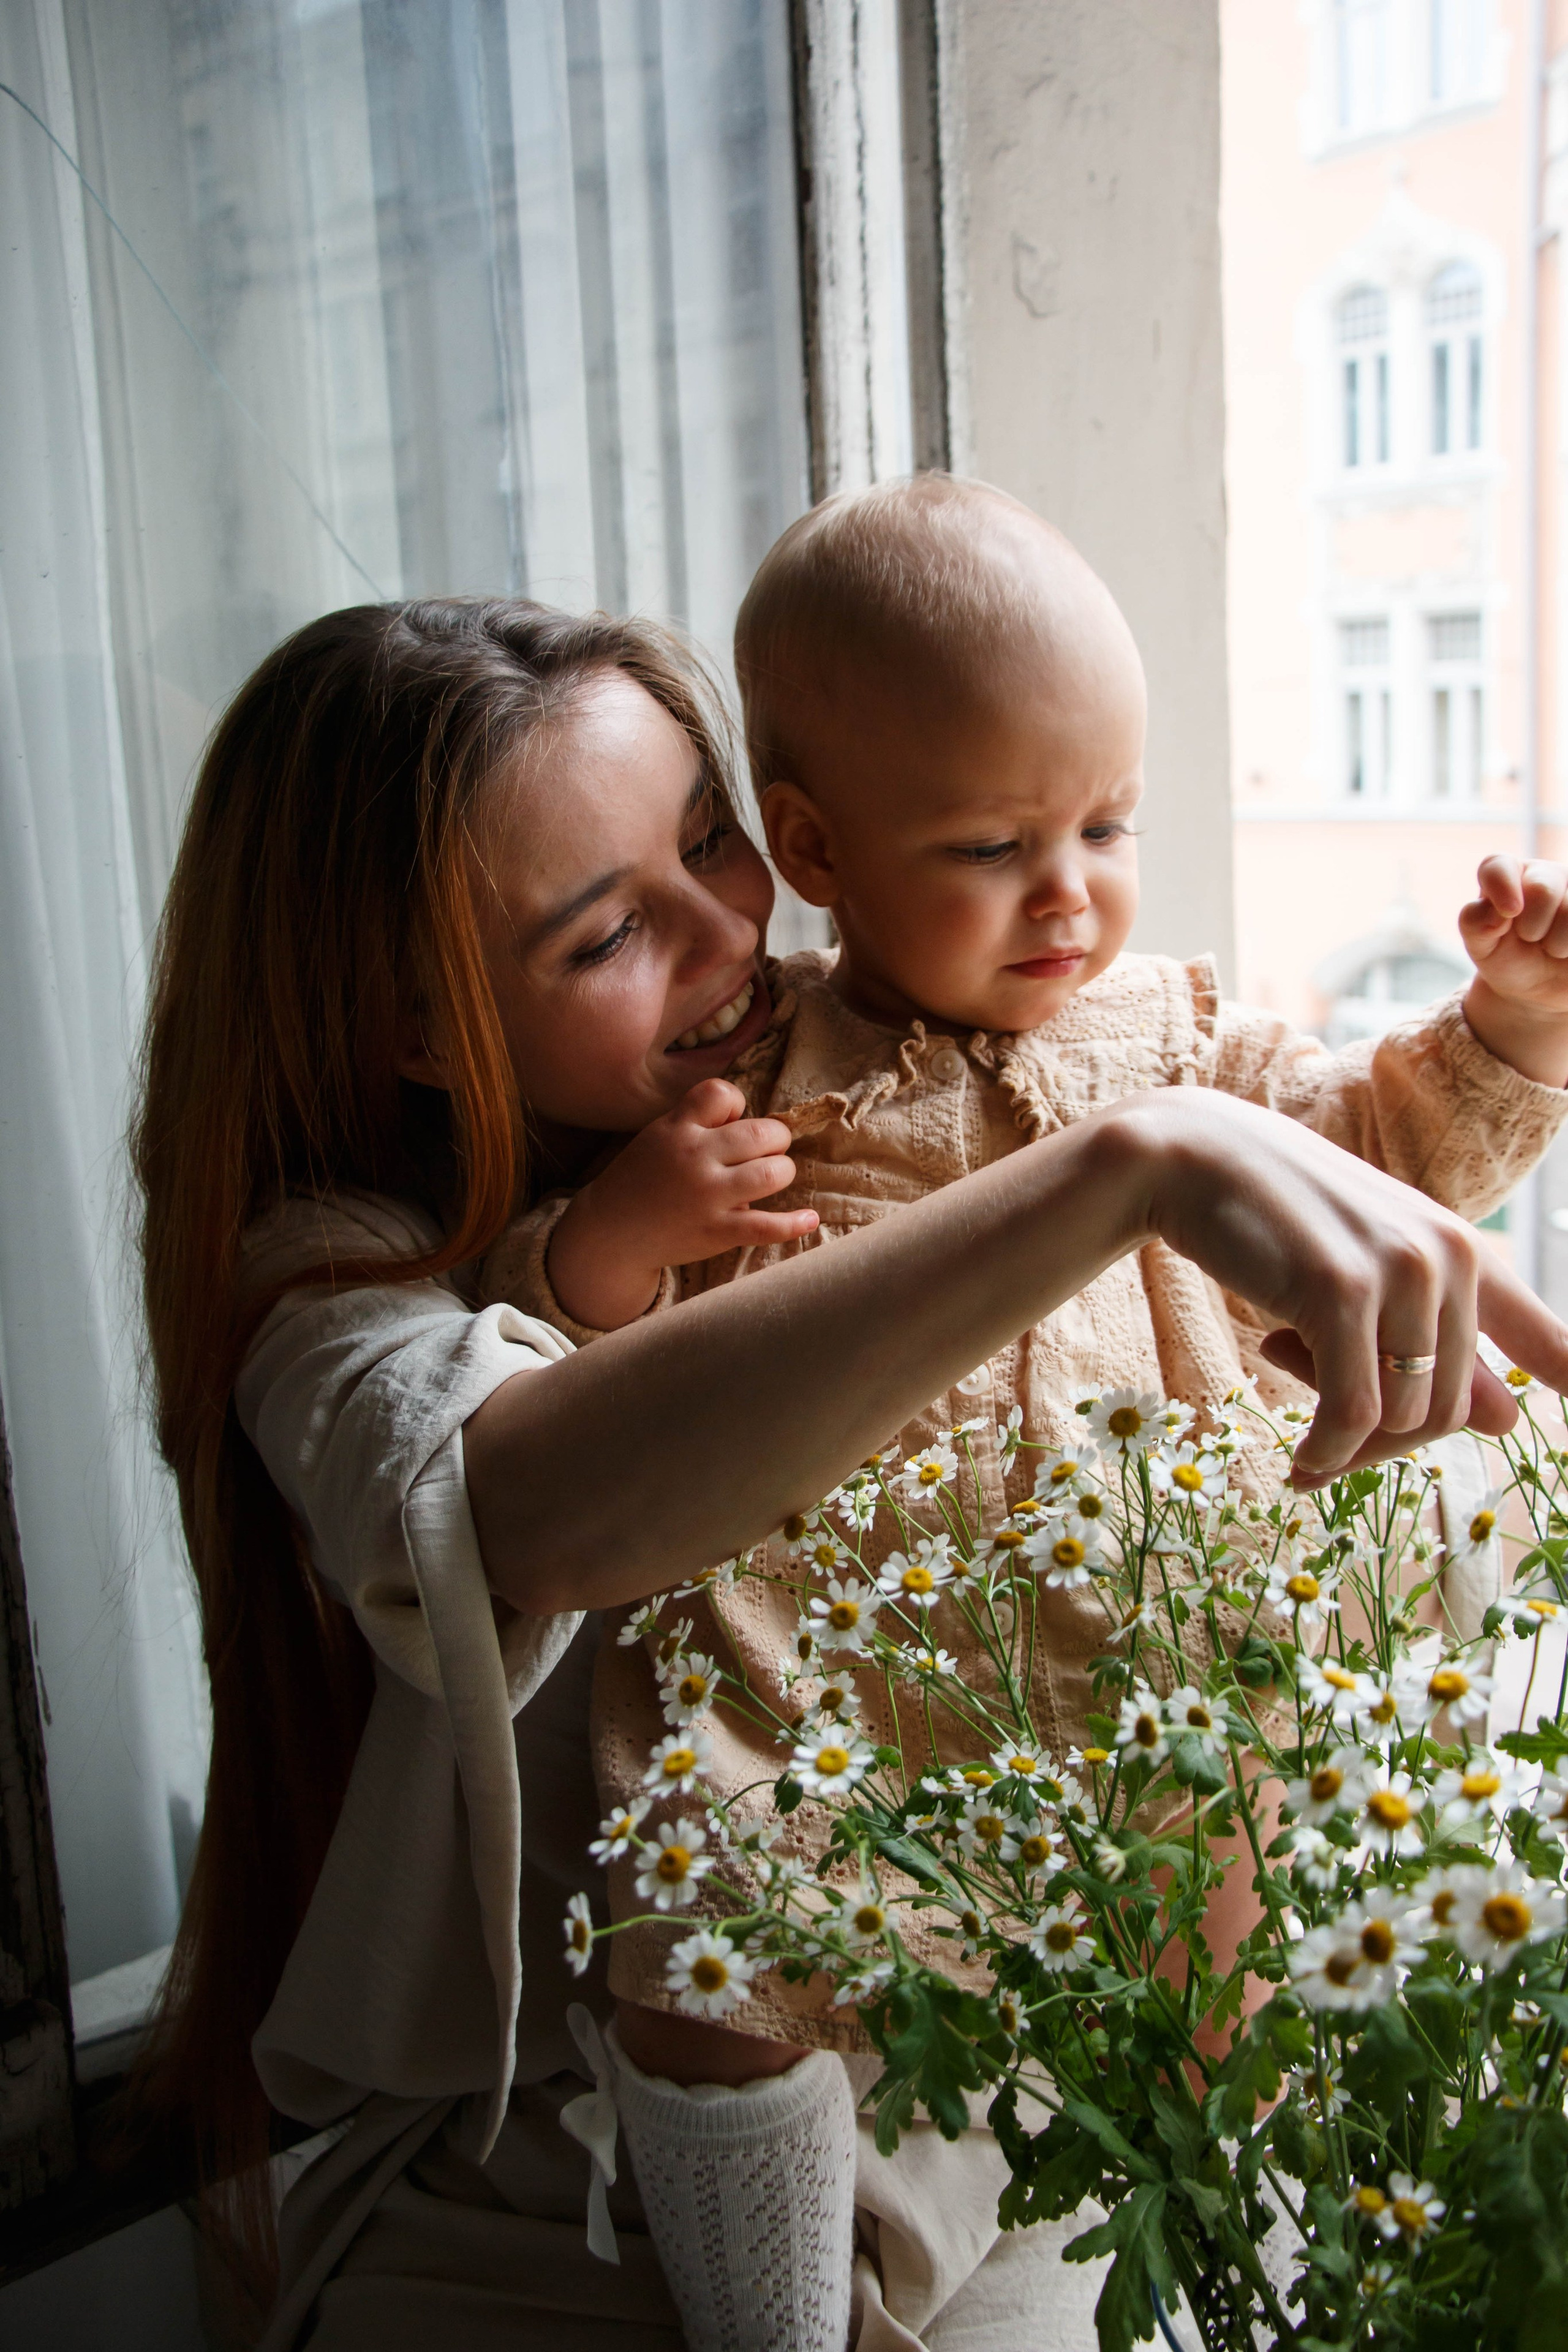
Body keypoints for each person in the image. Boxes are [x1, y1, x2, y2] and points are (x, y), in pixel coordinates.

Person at [132, 593, 1566, 2352]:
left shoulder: (905, 1050)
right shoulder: (338, 1278)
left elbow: (1359, 1136)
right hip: (571, 2176)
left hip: (1017, 2030)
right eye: (609, 935)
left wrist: (1452, 1067)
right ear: (419, 1026)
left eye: (710, 840)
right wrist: (1129, 1166)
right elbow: (528, 1507)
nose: (733, 936)